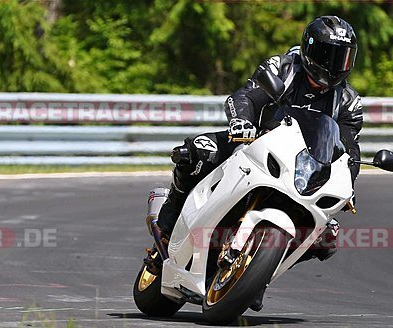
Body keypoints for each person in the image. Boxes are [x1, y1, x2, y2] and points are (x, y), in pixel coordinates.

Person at [152, 16, 363, 275]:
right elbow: (246, 96)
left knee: (326, 238)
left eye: (341, 58)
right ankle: (168, 221)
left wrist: (348, 183)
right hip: (253, 145)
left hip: (303, 170)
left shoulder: (348, 101)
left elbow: (349, 148)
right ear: (309, 49)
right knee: (196, 151)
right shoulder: (283, 68)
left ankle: (261, 273)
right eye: (327, 55)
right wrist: (241, 121)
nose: (333, 65)